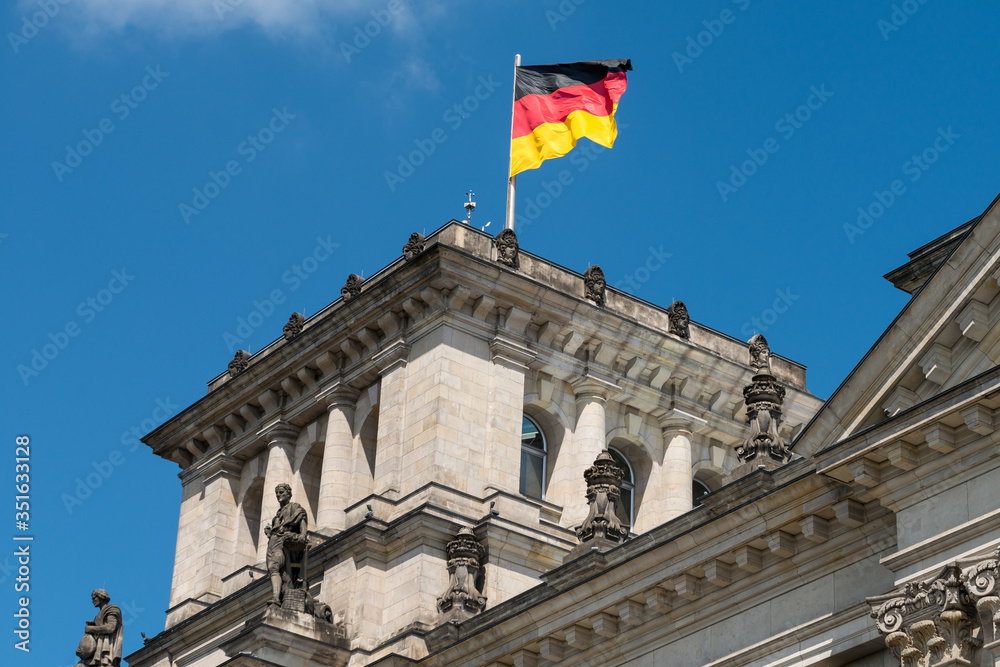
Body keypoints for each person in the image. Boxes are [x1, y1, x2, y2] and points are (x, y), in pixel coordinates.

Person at [264, 483, 308, 606]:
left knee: (274, 568)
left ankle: (276, 598)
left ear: (289, 494)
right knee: (275, 570)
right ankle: (280, 595)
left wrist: (302, 535)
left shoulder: (295, 508)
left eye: (281, 492)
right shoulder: (278, 514)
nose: (278, 495)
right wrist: (269, 532)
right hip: (273, 542)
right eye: (277, 493)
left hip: (283, 541)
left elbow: (302, 521)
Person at [76, 588, 123, 667]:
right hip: (96, 651)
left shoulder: (112, 609)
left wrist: (91, 629)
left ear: (101, 597)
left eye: (94, 598)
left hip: (106, 651)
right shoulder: (98, 615)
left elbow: (111, 627)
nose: (92, 601)